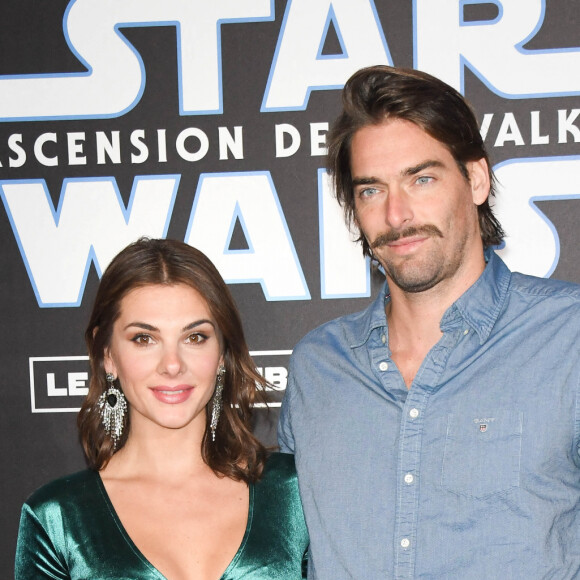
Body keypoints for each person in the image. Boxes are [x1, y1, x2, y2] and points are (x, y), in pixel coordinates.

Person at [278, 65, 580, 579]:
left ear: (477, 180)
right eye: (371, 190)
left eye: (421, 179)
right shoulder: (319, 366)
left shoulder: (567, 336)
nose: (397, 215)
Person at [16, 238, 308, 579]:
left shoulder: (295, 489)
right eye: (144, 338)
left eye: (195, 337)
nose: (172, 365)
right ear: (107, 355)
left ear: (222, 354)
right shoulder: (57, 518)